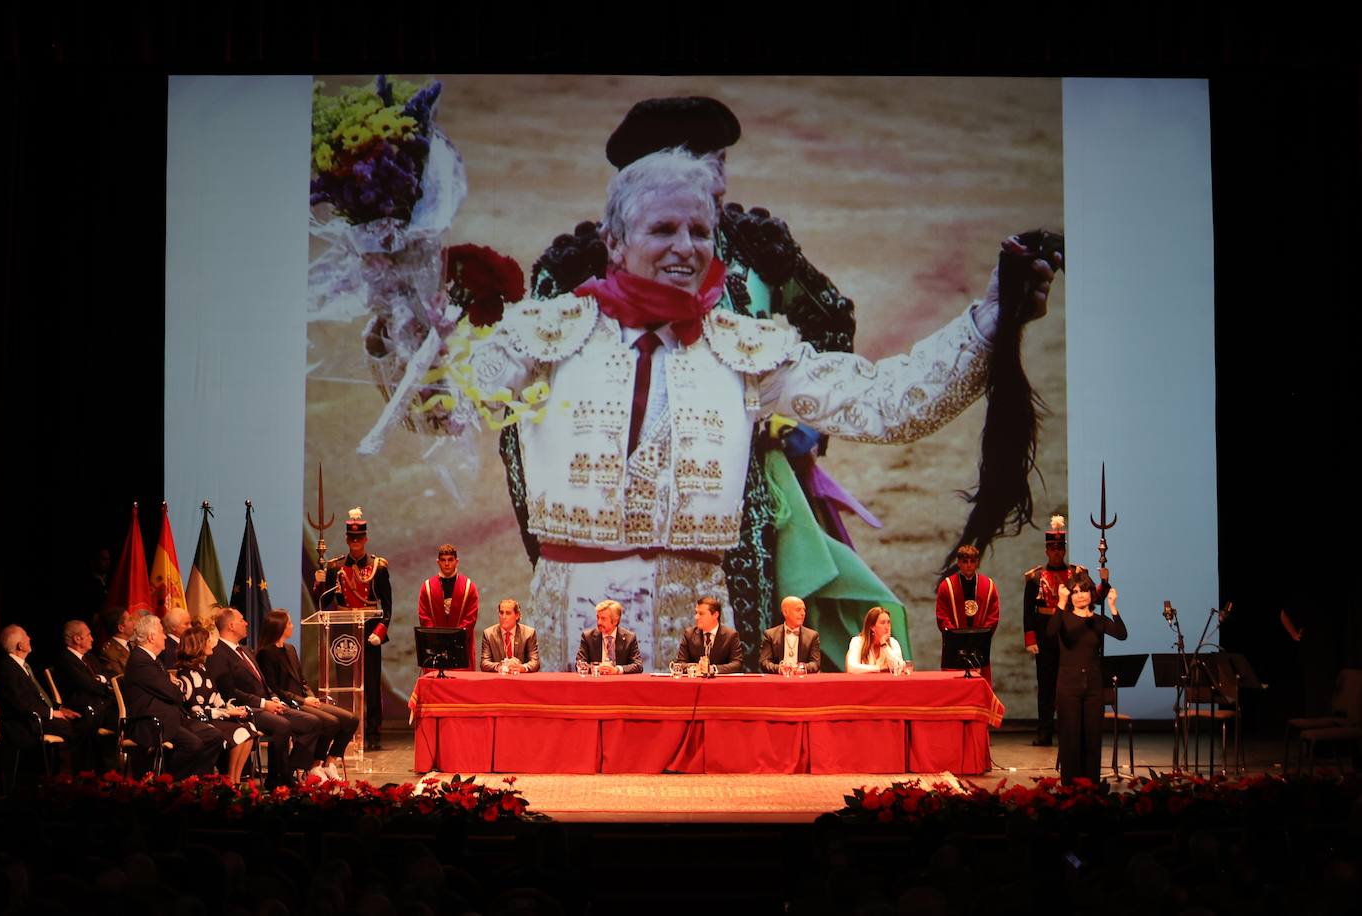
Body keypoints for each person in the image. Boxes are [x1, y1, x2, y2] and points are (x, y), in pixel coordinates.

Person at [443, 148, 1056, 674]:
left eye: (699, 231)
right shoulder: (543, 336)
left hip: (699, 644)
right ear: (615, 242)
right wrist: (406, 294)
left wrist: (989, 321)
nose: (685, 247)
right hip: (570, 638)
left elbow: (884, 403)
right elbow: (439, 402)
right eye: (663, 229)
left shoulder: (745, 350)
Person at [521, 97, 859, 651]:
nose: (717, 178)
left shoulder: (755, 242)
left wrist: (797, 426)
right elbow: (525, 414)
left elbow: (831, 320)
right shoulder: (577, 265)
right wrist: (543, 535)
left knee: (746, 627)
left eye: (720, 160)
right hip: (602, 502)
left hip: (735, 485)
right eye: (701, 160)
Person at [207, 606, 323, 786]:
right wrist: (263, 703)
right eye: (241, 620)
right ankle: (277, 779)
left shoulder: (245, 650)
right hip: (246, 709)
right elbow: (229, 692)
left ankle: (291, 769)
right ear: (231, 626)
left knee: (312, 722)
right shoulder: (218, 654)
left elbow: (264, 682)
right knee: (282, 725)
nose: (246, 623)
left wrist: (273, 698)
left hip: (267, 704)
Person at [1022, 516, 1110, 745]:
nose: (1056, 552)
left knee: (1070, 684)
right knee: (1046, 685)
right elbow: (1028, 611)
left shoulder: (1077, 575)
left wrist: (1104, 582)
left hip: (1071, 634)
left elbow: (1095, 597)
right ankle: (1045, 731)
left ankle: (1069, 731)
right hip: (1045, 635)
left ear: (1064, 550)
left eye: (1060, 548)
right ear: (1046, 550)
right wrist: (1030, 638)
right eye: (1052, 548)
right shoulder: (1035, 578)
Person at [314, 508, 392, 750]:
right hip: (344, 631)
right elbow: (324, 602)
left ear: (365, 539)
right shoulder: (335, 567)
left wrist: (380, 631)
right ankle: (346, 730)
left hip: (369, 631)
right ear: (347, 539)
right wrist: (318, 583)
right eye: (352, 538)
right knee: (345, 683)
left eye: (359, 538)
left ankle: (373, 733)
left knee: (371, 684)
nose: (356, 542)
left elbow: (387, 605)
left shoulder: (379, 567)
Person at [256, 608, 359, 779]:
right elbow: (274, 688)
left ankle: (329, 762)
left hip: (304, 700)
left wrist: (310, 695)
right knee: (330, 722)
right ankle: (313, 765)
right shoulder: (266, 653)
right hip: (289, 703)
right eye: (289, 623)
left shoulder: (290, 649)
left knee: (351, 719)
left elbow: (301, 680)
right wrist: (302, 701)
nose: (292, 626)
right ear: (280, 626)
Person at [121, 615, 224, 779]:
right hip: (152, 722)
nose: (165, 637)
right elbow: (173, 693)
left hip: (171, 717)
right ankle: (171, 781)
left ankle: (199, 782)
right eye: (162, 632)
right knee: (193, 745)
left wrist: (173, 685)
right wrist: (175, 686)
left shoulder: (153, 660)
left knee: (214, 736)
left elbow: (172, 691)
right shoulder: (141, 660)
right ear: (151, 637)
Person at [1050, 572, 1126, 784]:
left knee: (1092, 738)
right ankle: (1070, 787)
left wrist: (1112, 606)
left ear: (1092, 594)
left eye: (1083, 591)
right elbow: (1050, 632)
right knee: (1070, 738)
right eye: (1075, 592)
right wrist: (1061, 602)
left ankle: (1091, 786)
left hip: (1093, 685)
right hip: (1068, 684)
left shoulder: (1098, 621)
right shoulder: (1064, 618)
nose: (1080, 595)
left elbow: (1121, 634)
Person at [0, 625, 86, 773]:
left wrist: (60, 709)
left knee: (81, 719)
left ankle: (64, 774)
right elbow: (20, 704)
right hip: (24, 723)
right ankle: (70, 775)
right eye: (26, 636)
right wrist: (52, 713)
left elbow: (39, 697)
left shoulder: (21, 666)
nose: (29, 638)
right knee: (78, 727)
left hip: (35, 718)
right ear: (20, 645)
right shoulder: (7, 669)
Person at [175, 626, 255, 783]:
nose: (211, 642)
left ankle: (235, 779)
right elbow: (195, 711)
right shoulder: (185, 674)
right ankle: (230, 780)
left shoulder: (203, 668)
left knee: (249, 729)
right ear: (199, 645)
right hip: (200, 721)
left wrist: (232, 709)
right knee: (241, 732)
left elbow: (216, 698)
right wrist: (227, 713)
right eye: (208, 640)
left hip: (215, 716)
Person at [936, 545, 1000, 683]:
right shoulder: (946, 586)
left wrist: (979, 638)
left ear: (977, 562)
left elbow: (993, 616)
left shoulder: (988, 586)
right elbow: (942, 616)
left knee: (979, 687)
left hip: (979, 648)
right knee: (954, 688)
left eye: (972, 561)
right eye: (965, 561)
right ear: (958, 563)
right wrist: (957, 638)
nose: (969, 565)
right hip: (954, 648)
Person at [416, 543, 479, 671]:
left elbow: (470, 618)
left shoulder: (469, 587)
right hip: (435, 650)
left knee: (460, 683)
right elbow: (424, 616)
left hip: (461, 649)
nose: (447, 564)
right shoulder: (427, 588)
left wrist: (454, 640)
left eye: (450, 560)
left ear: (457, 561)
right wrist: (437, 640)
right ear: (438, 562)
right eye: (443, 560)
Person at [56, 619, 118, 730]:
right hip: (87, 711)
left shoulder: (89, 657)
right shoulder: (66, 660)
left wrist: (100, 678)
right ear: (77, 639)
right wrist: (111, 688)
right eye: (88, 635)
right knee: (127, 719)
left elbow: (110, 673)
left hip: (103, 704)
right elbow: (88, 684)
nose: (92, 639)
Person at [674, 596, 744, 673]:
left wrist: (713, 669)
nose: (696, 617)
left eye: (701, 614)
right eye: (696, 613)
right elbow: (680, 664)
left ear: (715, 615)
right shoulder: (689, 634)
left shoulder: (731, 635)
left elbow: (737, 664)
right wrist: (696, 667)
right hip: (696, 679)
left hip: (720, 680)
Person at [574, 599, 643, 675]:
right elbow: (579, 664)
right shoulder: (588, 637)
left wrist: (617, 670)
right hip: (596, 681)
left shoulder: (629, 638)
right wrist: (597, 668)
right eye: (598, 617)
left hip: (619, 681)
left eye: (603, 618)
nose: (599, 622)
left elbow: (638, 666)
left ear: (615, 621)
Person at [759, 596, 823, 674]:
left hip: (802, 679)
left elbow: (816, 664)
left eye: (804, 610)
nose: (803, 613)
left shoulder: (812, 636)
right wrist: (779, 668)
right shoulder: (770, 635)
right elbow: (764, 662)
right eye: (798, 610)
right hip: (779, 679)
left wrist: (801, 668)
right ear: (785, 612)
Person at [479, 599, 540, 673]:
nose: (503, 617)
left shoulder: (529, 633)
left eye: (508, 613)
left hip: (520, 677)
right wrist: (501, 665)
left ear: (517, 615)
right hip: (499, 678)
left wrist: (522, 667)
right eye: (501, 613)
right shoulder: (489, 634)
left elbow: (535, 663)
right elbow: (484, 663)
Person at [846, 606, 904, 674]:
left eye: (888, 622)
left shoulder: (893, 642)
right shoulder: (857, 642)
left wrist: (884, 644)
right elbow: (851, 668)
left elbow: (899, 666)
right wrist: (880, 668)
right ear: (872, 627)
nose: (887, 627)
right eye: (883, 623)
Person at [94, 607, 134, 679]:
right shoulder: (109, 653)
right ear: (121, 628)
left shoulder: (134, 643)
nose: (134, 622)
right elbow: (120, 679)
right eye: (130, 620)